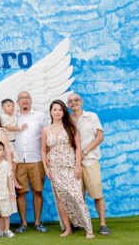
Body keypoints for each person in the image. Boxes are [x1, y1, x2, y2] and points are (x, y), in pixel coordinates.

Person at [41, 100, 94, 239]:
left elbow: (77, 148)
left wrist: (77, 167)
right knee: (60, 199)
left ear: (64, 112)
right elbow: (43, 150)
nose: (57, 112)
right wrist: (46, 167)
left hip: (70, 167)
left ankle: (89, 229)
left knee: (77, 196)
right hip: (55, 169)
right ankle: (68, 227)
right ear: (51, 112)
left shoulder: (71, 128)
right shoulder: (46, 130)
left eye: (60, 109)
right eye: (54, 109)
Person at [67, 93, 111, 235]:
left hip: (90, 160)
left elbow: (100, 137)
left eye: (76, 100)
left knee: (97, 193)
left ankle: (103, 224)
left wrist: (84, 152)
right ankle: (80, 223)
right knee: (77, 195)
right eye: (70, 101)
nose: (73, 103)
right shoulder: (66, 120)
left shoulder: (92, 116)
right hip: (73, 163)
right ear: (68, 104)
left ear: (82, 102)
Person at [14, 91, 49, 233]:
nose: (25, 100)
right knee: (20, 193)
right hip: (18, 161)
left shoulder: (40, 116)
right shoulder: (13, 118)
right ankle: (23, 223)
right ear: (17, 102)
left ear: (31, 100)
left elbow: (47, 136)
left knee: (37, 191)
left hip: (36, 160)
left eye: (27, 97)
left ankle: (38, 222)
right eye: (21, 98)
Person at [0, 99, 27, 189]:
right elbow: (9, 127)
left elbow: (20, 110)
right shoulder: (3, 117)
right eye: (8, 105)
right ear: (2, 108)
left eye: (12, 105)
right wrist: (20, 128)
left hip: (12, 143)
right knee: (14, 159)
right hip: (6, 143)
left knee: (13, 160)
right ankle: (13, 179)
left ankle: (11, 179)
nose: (11, 107)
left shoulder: (13, 114)